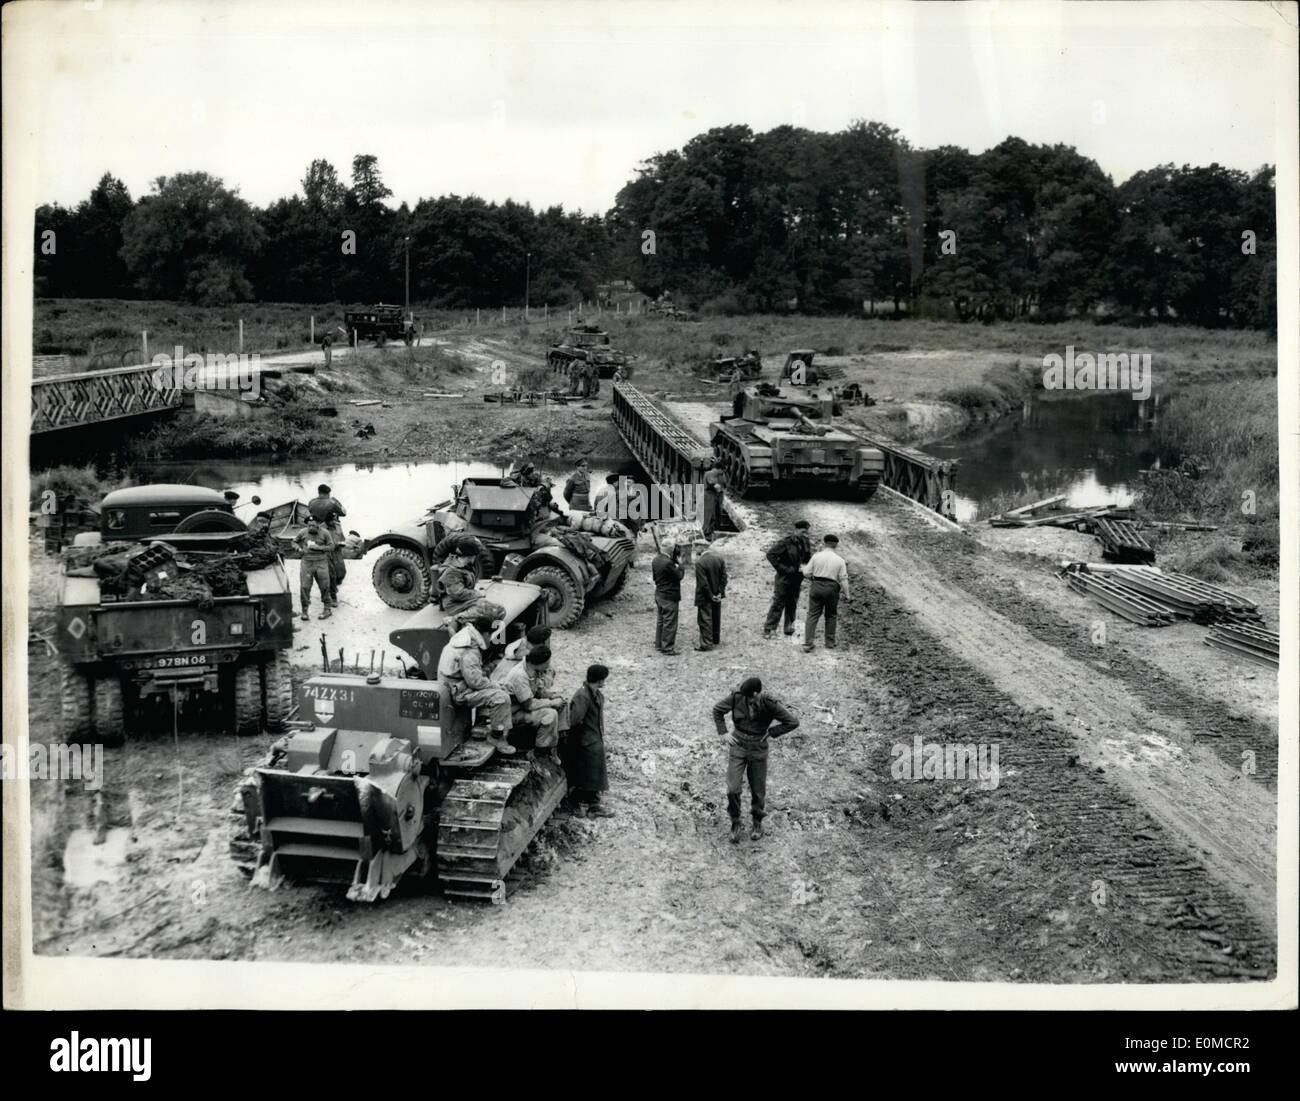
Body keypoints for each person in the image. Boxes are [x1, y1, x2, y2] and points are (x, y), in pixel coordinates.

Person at [712, 677, 800, 842]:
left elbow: (792, 722)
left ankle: (757, 821)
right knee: (732, 788)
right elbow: (717, 710)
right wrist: (723, 733)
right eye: (746, 697)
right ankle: (735, 822)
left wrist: (772, 732)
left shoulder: (769, 703)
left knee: (758, 790)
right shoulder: (738, 696)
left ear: (757, 693)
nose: (748, 700)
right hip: (738, 745)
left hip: (758, 747)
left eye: (751, 697)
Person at [437, 611, 515, 756]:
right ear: (485, 634)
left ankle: (481, 723)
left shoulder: (463, 637)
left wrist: (492, 683)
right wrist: (497, 686)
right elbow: (476, 682)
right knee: (501, 697)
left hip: (451, 686)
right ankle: (497, 737)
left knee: (491, 684)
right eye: (490, 635)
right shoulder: (469, 650)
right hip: (458, 693)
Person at [494, 646, 567, 751]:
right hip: (512, 714)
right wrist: (551, 702)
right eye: (547, 663)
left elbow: (539, 690)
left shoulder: (533, 669)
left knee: (562, 703)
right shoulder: (519, 675)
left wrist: (552, 695)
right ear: (539, 663)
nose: (548, 666)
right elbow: (528, 705)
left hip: (522, 707)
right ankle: (541, 750)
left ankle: (557, 743)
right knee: (550, 714)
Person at [563, 664, 612, 817]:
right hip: (586, 740)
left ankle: (592, 803)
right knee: (587, 771)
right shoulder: (582, 696)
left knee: (594, 770)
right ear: (599, 680)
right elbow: (574, 720)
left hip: (593, 737)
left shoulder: (594, 694)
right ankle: (586, 803)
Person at [763, 519, 812, 638]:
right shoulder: (785, 542)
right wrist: (784, 569)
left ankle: (789, 627)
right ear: (796, 530)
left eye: (807, 532)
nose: (805, 534)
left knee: (792, 603)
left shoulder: (805, 542)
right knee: (778, 602)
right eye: (803, 531)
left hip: (797, 578)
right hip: (784, 578)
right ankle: (770, 629)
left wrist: (805, 567)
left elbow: (807, 557)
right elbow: (770, 555)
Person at [801, 533, 850, 651]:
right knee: (831, 615)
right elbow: (843, 579)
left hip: (817, 585)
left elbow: (806, 572)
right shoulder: (840, 560)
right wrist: (847, 594)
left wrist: (813, 578)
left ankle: (808, 643)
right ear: (836, 545)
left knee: (812, 615)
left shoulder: (816, 556)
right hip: (832, 588)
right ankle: (830, 643)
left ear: (824, 543)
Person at [308, 483, 347, 606]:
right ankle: (333, 592)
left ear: (318, 492)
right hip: (331, 534)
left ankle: (328, 590)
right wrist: (336, 502)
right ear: (328, 493)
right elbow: (344, 513)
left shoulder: (311, 502)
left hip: (317, 534)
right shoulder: (331, 502)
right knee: (334, 564)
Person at [295, 520, 334, 621]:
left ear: (318, 526)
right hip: (307, 562)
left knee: (325, 586)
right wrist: (298, 548)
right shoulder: (302, 532)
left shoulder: (325, 533)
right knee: (304, 586)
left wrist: (319, 548)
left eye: (313, 525)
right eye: (309, 526)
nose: (311, 527)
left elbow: (331, 546)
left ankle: (327, 609)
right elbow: (294, 541)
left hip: (321, 562)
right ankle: (304, 611)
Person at [651, 542, 685, 655]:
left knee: (661, 620)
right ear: (671, 550)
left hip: (659, 593)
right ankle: (667, 647)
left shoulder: (656, 560)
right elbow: (679, 576)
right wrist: (681, 565)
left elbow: (655, 578)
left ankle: (659, 644)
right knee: (670, 622)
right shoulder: (668, 563)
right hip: (669, 596)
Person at [693, 539, 727, 651]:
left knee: (705, 619)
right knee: (716, 616)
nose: (694, 549)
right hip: (717, 594)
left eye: (696, 546)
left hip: (705, 596)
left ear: (702, 547)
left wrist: (710, 595)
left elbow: (703, 583)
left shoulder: (700, 562)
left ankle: (706, 643)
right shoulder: (719, 558)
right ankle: (715, 639)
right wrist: (719, 593)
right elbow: (724, 578)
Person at [701, 461, 726, 539]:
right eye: (722, 471)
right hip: (709, 496)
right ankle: (705, 533)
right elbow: (713, 484)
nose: (722, 473)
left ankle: (710, 532)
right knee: (708, 515)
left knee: (714, 516)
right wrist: (718, 488)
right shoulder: (710, 474)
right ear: (719, 469)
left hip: (714, 497)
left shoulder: (716, 475)